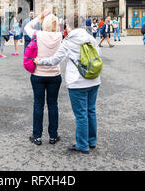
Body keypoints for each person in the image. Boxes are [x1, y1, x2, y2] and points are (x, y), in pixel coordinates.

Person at [34, 22, 101, 154]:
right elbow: (98, 55)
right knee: (91, 111)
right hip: (94, 79)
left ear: (70, 26)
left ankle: (82, 144)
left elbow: (55, 60)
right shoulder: (91, 38)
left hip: (77, 82)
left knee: (81, 114)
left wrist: (39, 61)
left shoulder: (68, 41)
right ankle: (92, 140)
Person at [24, 10, 63, 146]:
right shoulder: (59, 36)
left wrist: (39, 17)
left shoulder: (37, 34)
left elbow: (26, 27)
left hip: (38, 74)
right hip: (54, 75)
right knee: (53, 105)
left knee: (38, 105)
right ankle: (53, 135)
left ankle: (37, 136)